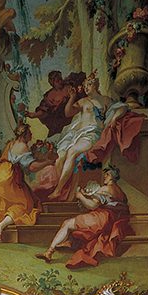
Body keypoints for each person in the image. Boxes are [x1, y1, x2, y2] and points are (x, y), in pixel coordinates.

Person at [36, 166, 132, 268]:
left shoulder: (106, 188)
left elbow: (93, 205)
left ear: (111, 176)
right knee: (70, 224)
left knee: (67, 223)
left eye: (107, 175)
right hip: (109, 220)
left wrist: (80, 196)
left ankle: (49, 252)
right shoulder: (120, 192)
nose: (104, 177)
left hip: (101, 218)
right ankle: (51, 251)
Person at [0, 122, 53, 241]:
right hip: (9, 176)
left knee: (1, 203)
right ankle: (1, 225)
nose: (31, 136)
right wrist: (48, 161)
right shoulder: (23, 146)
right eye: (29, 133)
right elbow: (32, 167)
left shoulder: (11, 143)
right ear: (24, 134)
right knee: (24, 205)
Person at [48, 72, 109, 200]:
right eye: (85, 85)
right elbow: (68, 113)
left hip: (92, 134)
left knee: (72, 152)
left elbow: (119, 108)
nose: (86, 87)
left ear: (96, 85)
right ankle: (63, 190)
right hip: (77, 135)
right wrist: (72, 97)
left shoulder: (105, 100)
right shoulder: (83, 101)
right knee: (60, 157)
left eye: (89, 84)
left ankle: (58, 190)